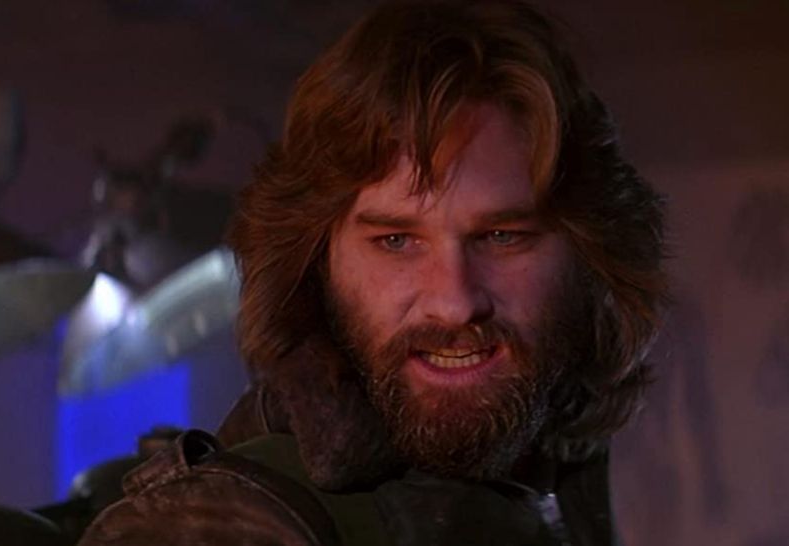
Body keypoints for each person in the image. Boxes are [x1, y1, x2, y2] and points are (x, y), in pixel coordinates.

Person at [78, 1, 667, 544]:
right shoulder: (226, 531)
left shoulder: (560, 471)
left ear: (591, 254)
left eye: (502, 236)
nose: (455, 302)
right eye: (396, 241)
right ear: (314, 264)